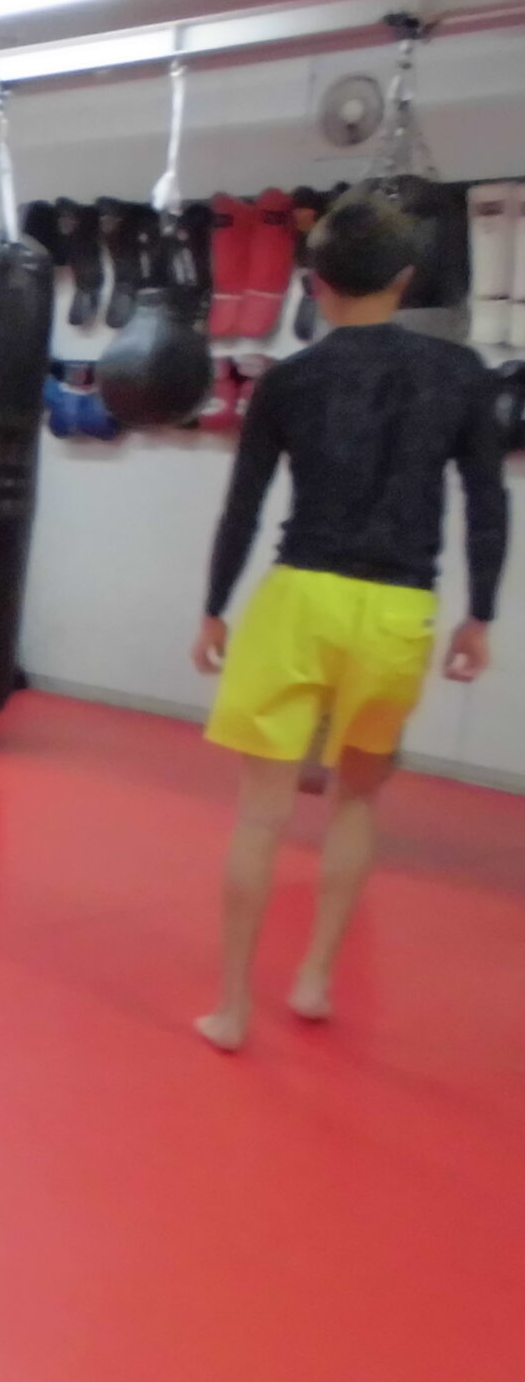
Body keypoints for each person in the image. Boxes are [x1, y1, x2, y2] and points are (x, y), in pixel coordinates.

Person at [191, 193, 509, 1051]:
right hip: (399, 609)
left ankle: (232, 1008)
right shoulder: (460, 375)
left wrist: (214, 606)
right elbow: (487, 501)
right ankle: (316, 980)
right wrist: (480, 613)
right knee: (358, 801)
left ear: (314, 282)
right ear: (405, 280)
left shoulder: (290, 380)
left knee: (262, 814)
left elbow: (245, 504)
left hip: (300, 599)